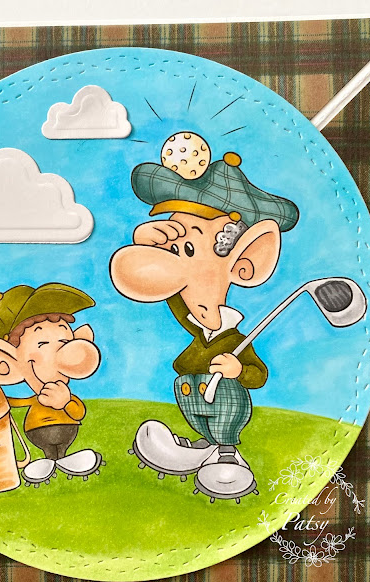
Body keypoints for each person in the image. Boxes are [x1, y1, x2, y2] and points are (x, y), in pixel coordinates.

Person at [110, 135, 299, 502]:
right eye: (173, 247)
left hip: (223, 395)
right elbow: (171, 290)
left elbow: (257, 375)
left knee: (226, 411)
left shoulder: (235, 339)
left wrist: (237, 370)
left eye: (187, 248)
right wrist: (148, 243)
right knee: (199, 410)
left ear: (246, 261)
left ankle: (226, 453)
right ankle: (205, 447)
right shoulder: (194, 321)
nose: (172, 259)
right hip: (191, 391)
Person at [0, 282, 102, 485]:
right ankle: (49, 461)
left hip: (66, 428)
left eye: (64, 342)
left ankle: (63, 460)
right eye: (42, 344)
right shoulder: (34, 396)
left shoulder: (66, 395)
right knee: (49, 452)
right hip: (37, 431)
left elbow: (78, 413)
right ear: (5, 362)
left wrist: (66, 402)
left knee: (61, 451)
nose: (59, 352)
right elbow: (19, 402)